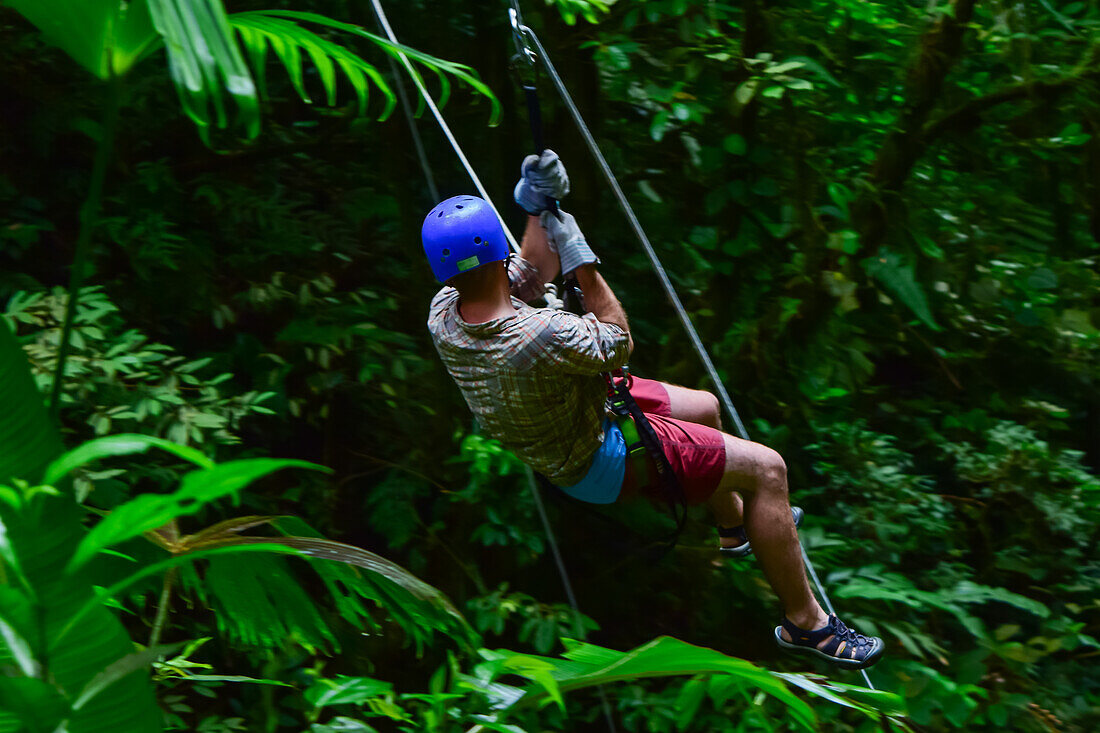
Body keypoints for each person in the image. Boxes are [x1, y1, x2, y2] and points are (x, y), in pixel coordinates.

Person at [423, 151, 884, 670]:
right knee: (769, 469)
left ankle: (734, 527)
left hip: (574, 416)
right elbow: (617, 339)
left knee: (706, 407)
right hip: (599, 454)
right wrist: (580, 260)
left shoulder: (445, 313)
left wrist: (536, 208)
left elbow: (523, 274)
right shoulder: (540, 333)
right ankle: (809, 625)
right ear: (496, 257)